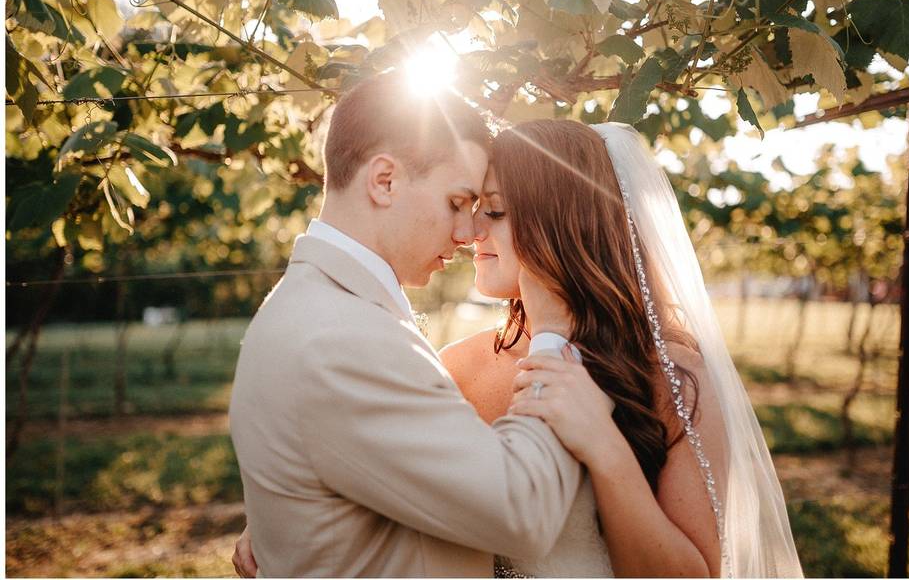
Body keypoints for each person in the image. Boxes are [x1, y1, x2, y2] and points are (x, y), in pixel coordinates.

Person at [235, 116, 804, 577]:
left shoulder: (670, 377)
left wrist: (605, 451)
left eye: (496, 212)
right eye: (468, 208)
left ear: (566, 222)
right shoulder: (457, 364)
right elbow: (399, 479)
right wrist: (295, 514)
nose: (472, 232)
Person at [228, 74, 587, 577]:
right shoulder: (343, 339)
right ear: (384, 181)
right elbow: (522, 512)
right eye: (457, 203)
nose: (467, 234)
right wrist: (550, 337)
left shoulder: (304, 305)